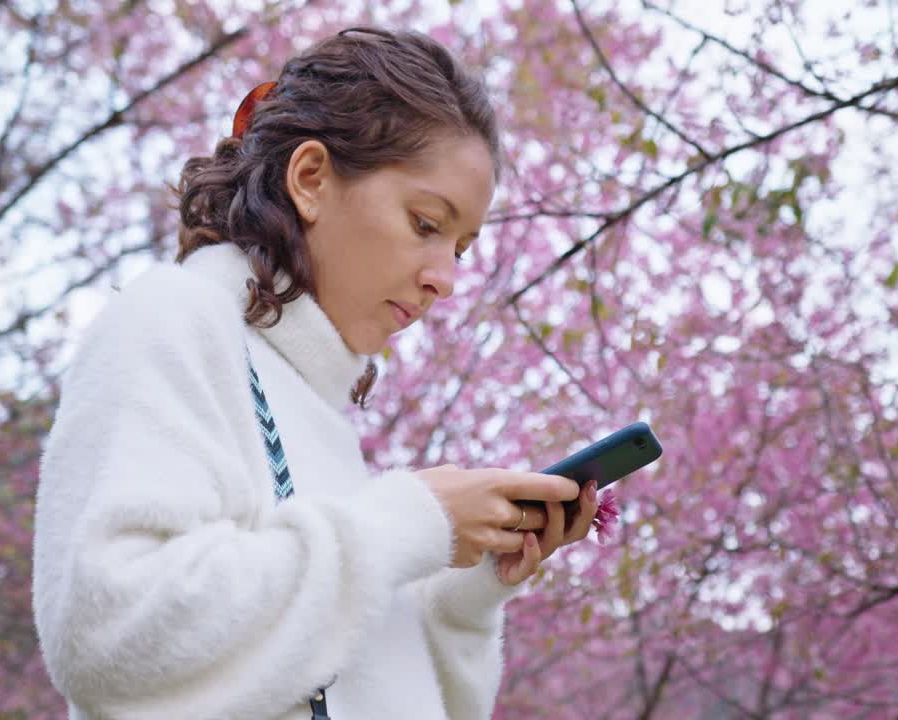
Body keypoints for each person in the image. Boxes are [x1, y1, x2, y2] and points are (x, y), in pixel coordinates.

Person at [31, 26, 602, 720]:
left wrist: (464, 593)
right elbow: (108, 636)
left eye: (463, 247)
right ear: (310, 179)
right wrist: (410, 522)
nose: (446, 279)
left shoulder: (317, 411)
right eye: (426, 223)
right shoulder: (174, 321)